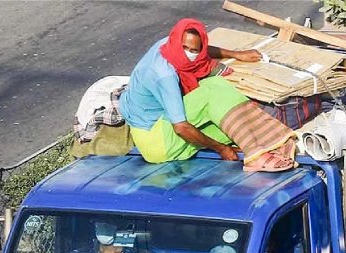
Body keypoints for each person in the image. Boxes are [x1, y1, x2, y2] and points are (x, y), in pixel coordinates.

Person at [119, 18, 296, 171]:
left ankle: (267, 145)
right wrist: (221, 149)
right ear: (176, 42)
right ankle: (256, 158)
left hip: (153, 133)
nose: (189, 54)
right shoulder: (164, 75)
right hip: (157, 140)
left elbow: (204, 51)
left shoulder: (168, 44)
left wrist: (236, 54)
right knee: (213, 88)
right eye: (185, 48)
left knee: (235, 127)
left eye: (194, 51)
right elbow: (180, 128)